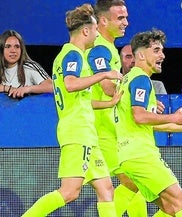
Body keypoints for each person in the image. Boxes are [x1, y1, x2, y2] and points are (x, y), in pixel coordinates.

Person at [21, 3, 123, 217]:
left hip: (87, 132)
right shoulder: (72, 55)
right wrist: (103, 75)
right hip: (77, 132)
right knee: (69, 192)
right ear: (86, 30)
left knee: (106, 190)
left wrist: (109, 103)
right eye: (95, 29)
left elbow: (79, 99)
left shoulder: (73, 55)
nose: (97, 34)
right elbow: (70, 84)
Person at [115, 28, 182, 217]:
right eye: (156, 50)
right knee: (181, 202)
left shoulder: (128, 80)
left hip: (128, 156)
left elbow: (146, 123)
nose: (163, 56)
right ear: (140, 54)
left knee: (170, 209)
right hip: (141, 156)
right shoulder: (140, 79)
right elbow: (139, 116)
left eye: (162, 50)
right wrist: (173, 117)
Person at [86, 1, 149, 216]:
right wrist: (139, 101)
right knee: (132, 182)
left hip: (111, 130)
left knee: (136, 183)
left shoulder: (109, 47)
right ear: (103, 20)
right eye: (120, 18)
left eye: (126, 17)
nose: (126, 23)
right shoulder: (100, 48)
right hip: (102, 132)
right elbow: (107, 87)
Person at [0, 30, 53, 98]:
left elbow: (52, 87)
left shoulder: (29, 66)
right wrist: (6, 88)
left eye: (17, 46)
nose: (13, 51)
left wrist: (28, 89)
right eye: (8, 46)